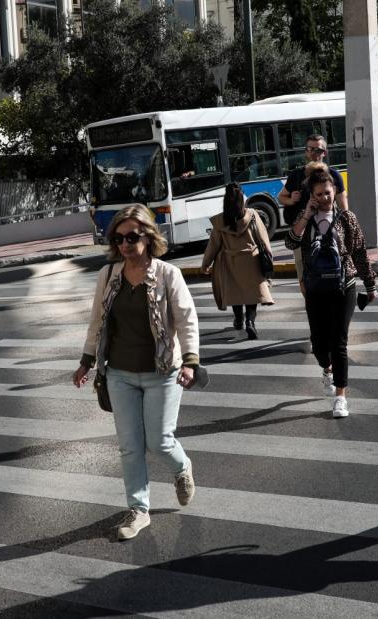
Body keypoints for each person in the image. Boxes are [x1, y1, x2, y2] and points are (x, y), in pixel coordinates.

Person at [72, 205, 201, 541]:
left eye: (131, 237)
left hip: (163, 371)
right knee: (130, 447)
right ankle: (138, 510)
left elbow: (186, 320)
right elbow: (97, 322)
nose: (125, 244)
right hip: (119, 374)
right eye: (118, 238)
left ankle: (181, 467)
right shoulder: (108, 275)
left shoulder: (167, 274)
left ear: (148, 236)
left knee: (160, 442)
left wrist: (190, 361)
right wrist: (86, 361)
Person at [284, 163, 376, 419]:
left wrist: (370, 284)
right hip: (315, 288)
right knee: (318, 345)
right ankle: (327, 368)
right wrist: (306, 215)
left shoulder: (347, 218)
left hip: (344, 285)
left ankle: (340, 397)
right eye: (319, 194)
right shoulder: (305, 218)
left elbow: (359, 252)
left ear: (334, 190)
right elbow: (290, 242)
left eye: (328, 192)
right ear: (311, 195)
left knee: (339, 342)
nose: (325, 197)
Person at [201, 183, 275, 339]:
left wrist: (206, 263)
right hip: (252, 261)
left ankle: (239, 319)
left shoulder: (220, 222)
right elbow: (263, 238)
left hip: (230, 262)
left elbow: (213, 245)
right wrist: (269, 258)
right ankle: (250, 322)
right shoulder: (252, 215)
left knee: (235, 293)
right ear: (242, 198)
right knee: (252, 294)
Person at [278, 135, 348, 291]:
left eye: (318, 149)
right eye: (310, 149)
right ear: (306, 152)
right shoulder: (296, 175)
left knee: (334, 272)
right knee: (305, 278)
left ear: (325, 152)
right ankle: (311, 301)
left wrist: (344, 233)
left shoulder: (334, 176)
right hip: (302, 234)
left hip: (329, 233)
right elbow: (281, 197)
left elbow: (344, 210)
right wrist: (291, 200)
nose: (314, 152)